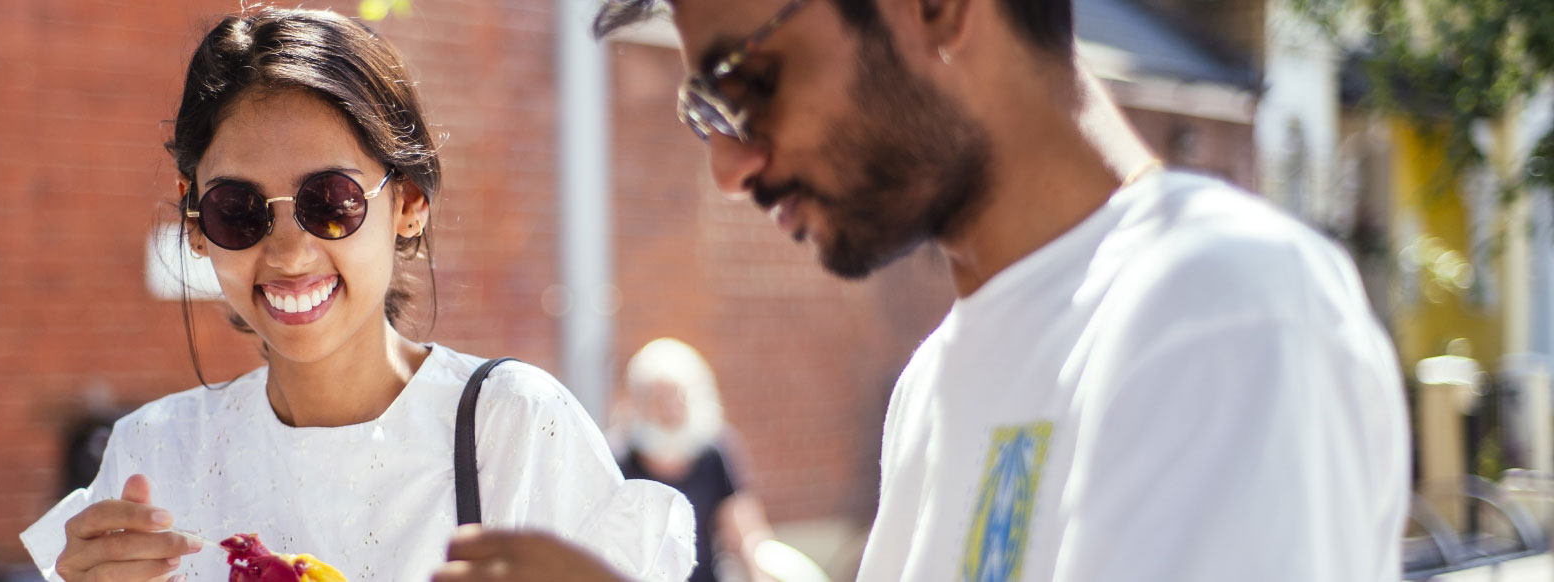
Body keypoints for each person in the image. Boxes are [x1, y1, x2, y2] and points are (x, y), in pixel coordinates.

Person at [433, 0, 1409, 580]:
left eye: (746, 82)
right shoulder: (935, 386)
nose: (729, 168)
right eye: (705, 111)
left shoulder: (1219, 309)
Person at [18, 8, 696, 582]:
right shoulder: (155, 458)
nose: (287, 252)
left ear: (407, 203)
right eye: (237, 209)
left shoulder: (513, 427)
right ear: (196, 227)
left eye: (331, 202)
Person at [611, 338, 777, 582]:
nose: (670, 409)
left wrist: (759, 575)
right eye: (659, 399)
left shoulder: (713, 454)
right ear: (640, 404)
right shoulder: (619, 461)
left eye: (678, 397)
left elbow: (742, 530)